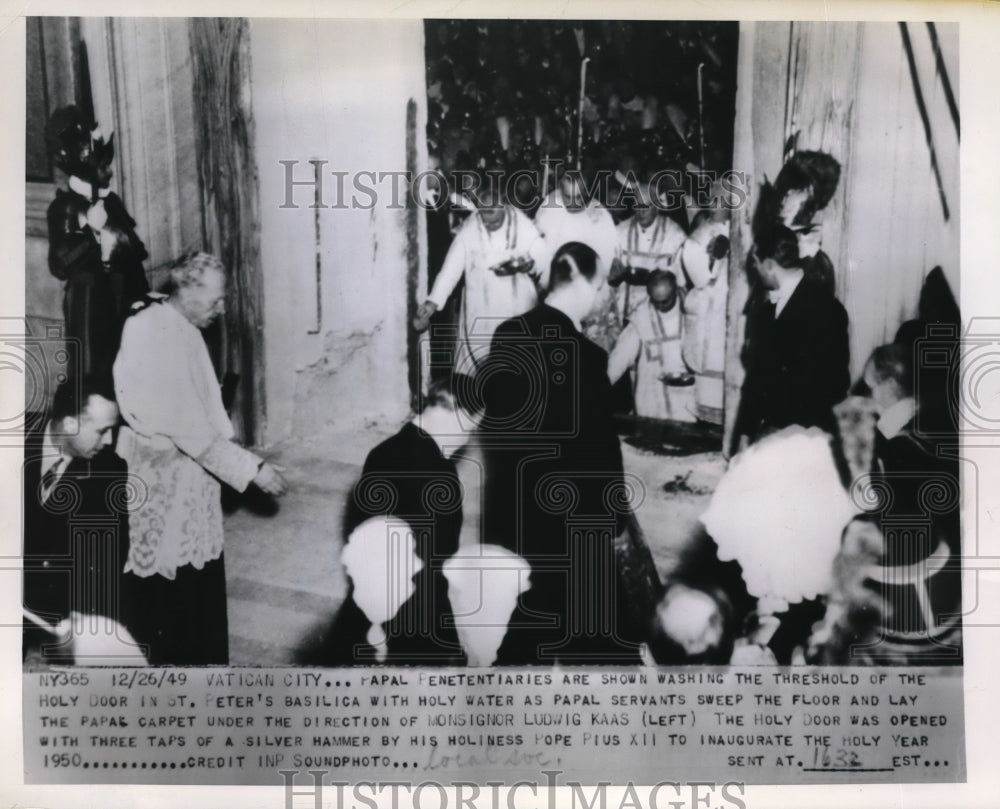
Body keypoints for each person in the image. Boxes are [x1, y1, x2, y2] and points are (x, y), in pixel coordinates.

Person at [112, 252, 287, 665]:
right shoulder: (148, 330)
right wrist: (252, 469)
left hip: (190, 481)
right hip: (159, 479)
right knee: (168, 592)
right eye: (216, 299)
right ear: (186, 290)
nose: (222, 308)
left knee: (196, 581)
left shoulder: (182, 325)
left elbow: (201, 417)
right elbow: (188, 429)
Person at [481, 241, 642, 664]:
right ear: (586, 284)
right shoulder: (587, 357)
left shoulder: (506, 336)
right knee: (597, 626)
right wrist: (616, 516)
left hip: (515, 507)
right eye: (601, 285)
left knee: (537, 616)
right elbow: (601, 451)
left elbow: (497, 429)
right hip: (571, 520)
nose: (602, 295)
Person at [329, 375, 481, 665]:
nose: (467, 438)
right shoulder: (440, 477)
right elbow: (431, 574)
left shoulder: (382, 452)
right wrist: (446, 645)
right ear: (460, 416)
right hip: (410, 624)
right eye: (471, 427)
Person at [22, 376, 139, 663]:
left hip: (59, 605)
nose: (110, 441)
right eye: (103, 431)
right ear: (68, 423)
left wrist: (90, 628)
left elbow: (107, 559)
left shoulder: (108, 468)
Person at [860, 344, 961, 656]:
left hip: (921, 591)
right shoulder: (936, 417)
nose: (869, 396)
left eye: (871, 387)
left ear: (889, 387)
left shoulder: (898, 447)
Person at [45, 106, 150, 377]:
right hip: (89, 303)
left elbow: (132, 258)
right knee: (94, 374)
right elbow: (59, 263)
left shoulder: (111, 202)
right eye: (104, 166)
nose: (110, 172)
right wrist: (91, 230)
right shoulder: (65, 207)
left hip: (121, 298)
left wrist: (140, 297)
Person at [733, 224, 850, 450]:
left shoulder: (827, 310)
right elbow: (756, 380)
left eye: (756, 265)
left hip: (808, 439)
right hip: (771, 435)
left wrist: (782, 433)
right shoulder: (764, 310)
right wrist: (745, 434)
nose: (755, 272)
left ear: (768, 265)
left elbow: (833, 386)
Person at [413, 184, 543, 377]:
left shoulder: (522, 224)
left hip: (515, 306)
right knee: (475, 371)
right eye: (485, 221)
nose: (489, 226)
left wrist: (530, 265)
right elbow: (450, 270)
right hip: (480, 307)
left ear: (503, 209)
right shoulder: (471, 228)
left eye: (495, 222)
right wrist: (433, 301)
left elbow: (542, 257)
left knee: (518, 369)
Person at [533, 172, 621, 352]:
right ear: (559, 190)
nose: (573, 203)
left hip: (592, 296)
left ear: (587, 191)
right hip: (556, 291)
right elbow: (538, 248)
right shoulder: (549, 208)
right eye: (567, 197)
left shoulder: (599, 216)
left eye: (579, 197)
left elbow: (606, 260)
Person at [608, 270, 695, 422]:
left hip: (687, 405)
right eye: (656, 302)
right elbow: (618, 360)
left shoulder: (692, 310)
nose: (660, 307)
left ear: (675, 291)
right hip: (652, 404)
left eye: (665, 301)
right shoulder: (640, 318)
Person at [609, 179, 687, 322]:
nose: (641, 211)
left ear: (657, 207)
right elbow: (611, 275)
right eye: (638, 205)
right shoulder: (620, 232)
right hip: (625, 307)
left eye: (647, 206)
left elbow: (681, 280)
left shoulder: (674, 234)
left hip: (660, 308)